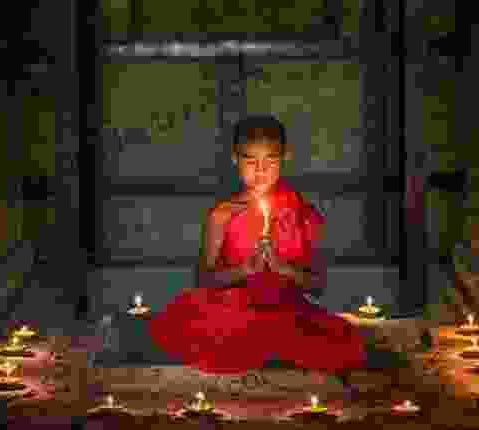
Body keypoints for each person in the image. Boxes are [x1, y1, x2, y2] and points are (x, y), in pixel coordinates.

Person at [147, 114, 366, 394]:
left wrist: (281, 268)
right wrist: (245, 270)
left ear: (285, 157)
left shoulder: (302, 214)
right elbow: (203, 279)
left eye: (270, 161)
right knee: (198, 330)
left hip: (285, 311)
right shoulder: (222, 215)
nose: (260, 171)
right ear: (235, 159)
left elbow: (318, 286)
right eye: (250, 161)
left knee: (340, 341)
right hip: (231, 310)